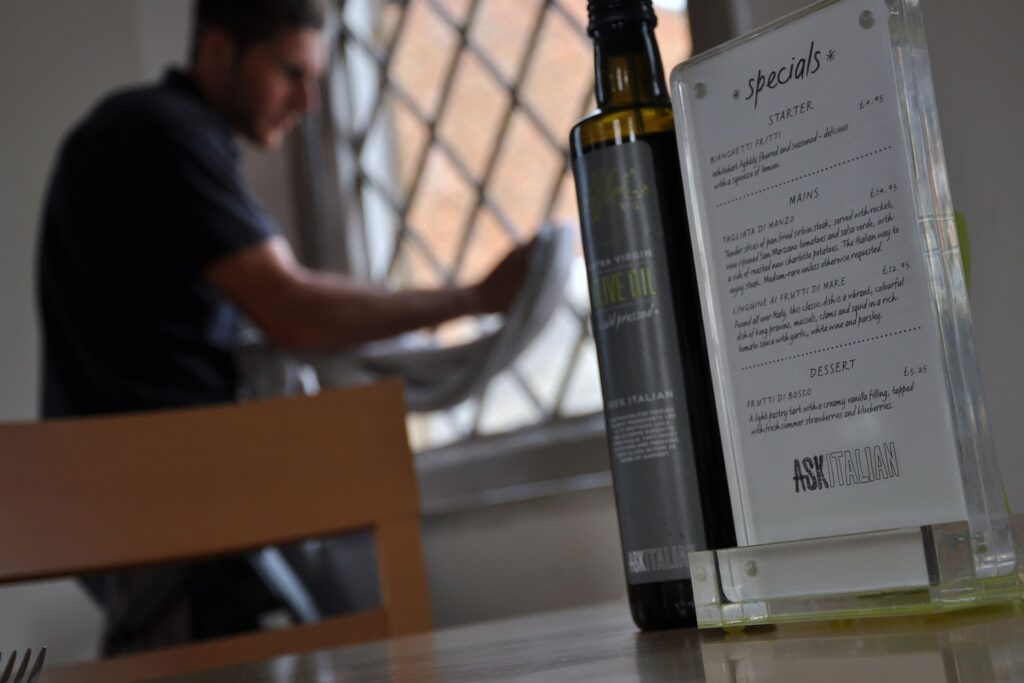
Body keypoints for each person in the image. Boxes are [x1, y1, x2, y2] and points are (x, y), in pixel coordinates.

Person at [36, 0, 531, 652]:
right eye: (291, 72)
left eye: (317, 77)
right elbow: (292, 308)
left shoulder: (151, 133)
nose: (309, 101)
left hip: (147, 505)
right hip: (165, 508)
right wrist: (474, 296)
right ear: (217, 51)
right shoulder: (163, 132)